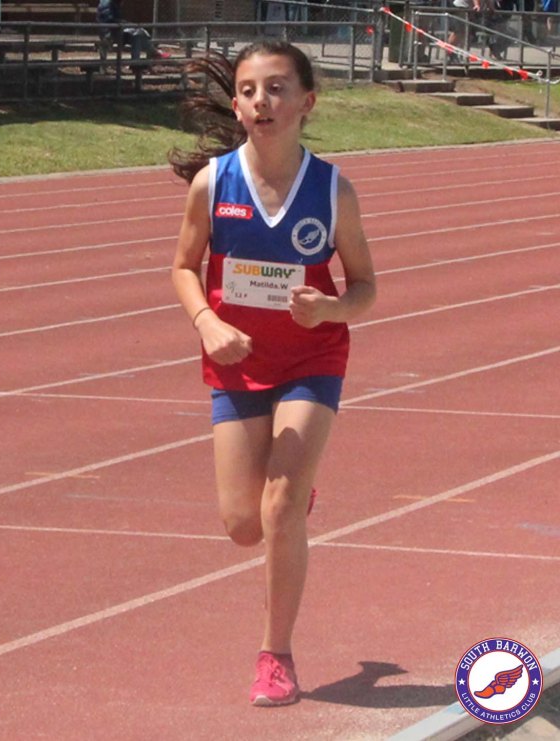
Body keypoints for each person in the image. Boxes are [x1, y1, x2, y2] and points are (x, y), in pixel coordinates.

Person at [167, 40, 377, 706]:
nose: (264, 101)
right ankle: (289, 494)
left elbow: (365, 286)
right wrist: (207, 321)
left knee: (280, 506)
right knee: (242, 524)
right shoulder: (213, 184)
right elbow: (183, 268)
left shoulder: (333, 189)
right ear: (237, 105)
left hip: (313, 359)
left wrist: (331, 308)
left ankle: (275, 655)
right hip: (237, 359)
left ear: (307, 102)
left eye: (278, 88)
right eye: (250, 90)